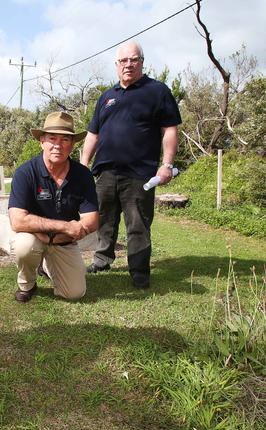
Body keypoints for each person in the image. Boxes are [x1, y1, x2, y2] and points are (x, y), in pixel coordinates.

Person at [80, 40, 181, 289]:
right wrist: (83, 163)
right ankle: (102, 260)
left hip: (140, 174)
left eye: (133, 60)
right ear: (116, 65)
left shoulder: (157, 91)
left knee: (137, 224)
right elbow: (93, 133)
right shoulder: (107, 96)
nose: (128, 65)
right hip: (105, 172)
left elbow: (169, 129)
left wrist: (166, 164)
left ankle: (139, 272)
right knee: (104, 220)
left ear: (142, 62)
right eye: (123, 61)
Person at [8, 112, 99, 303]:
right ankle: (27, 283)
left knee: (74, 294)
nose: (58, 145)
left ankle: (47, 266)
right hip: (34, 237)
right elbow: (17, 221)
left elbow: (92, 220)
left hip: (64, 241)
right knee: (24, 246)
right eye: (52, 138)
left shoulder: (83, 175)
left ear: (72, 144)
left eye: (65, 139)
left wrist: (56, 236)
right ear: (42, 141)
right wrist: (65, 227)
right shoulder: (25, 172)